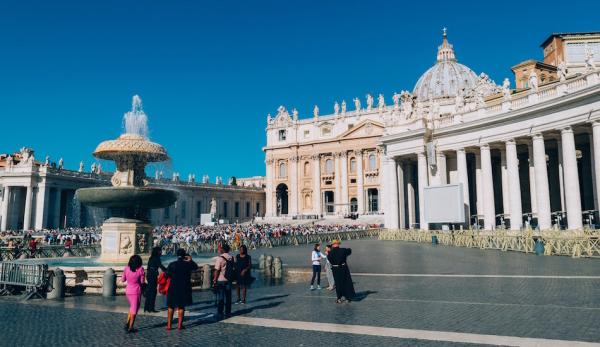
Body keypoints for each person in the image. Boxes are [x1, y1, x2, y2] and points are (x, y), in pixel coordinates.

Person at [166, 248, 198, 330]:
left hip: (173, 287)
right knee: (181, 306)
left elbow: (167, 275)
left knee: (171, 306)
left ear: (177, 255)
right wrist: (191, 260)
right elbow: (196, 267)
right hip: (184, 287)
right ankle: (180, 325)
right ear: (185, 256)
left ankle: (169, 325)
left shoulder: (172, 264)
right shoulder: (187, 264)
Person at [121, 254, 145, 333]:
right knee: (134, 310)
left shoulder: (126, 269)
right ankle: (131, 327)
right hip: (136, 291)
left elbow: (123, 280)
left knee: (132, 307)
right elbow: (142, 282)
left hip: (128, 291)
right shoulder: (140, 269)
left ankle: (128, 323)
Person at [213, 242, 233, 319]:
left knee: (221, 297)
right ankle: (228, 312)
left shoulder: (220, 258)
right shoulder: (231, 257)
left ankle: (220, 312)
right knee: (228, 297)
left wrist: (214, 279)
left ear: (222, 249)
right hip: (229, 279)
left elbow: (217, 270)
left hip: (221, 280)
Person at [144, 246, 166, 313]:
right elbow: (161, 266)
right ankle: (151, 308)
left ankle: (147, 307)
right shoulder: (157, 258)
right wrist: (168, 270)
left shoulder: (151, 257)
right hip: (153, 275)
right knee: (153, 291)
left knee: (149, 291)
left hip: (149, 274)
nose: (161, 252)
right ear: (157, 252)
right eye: (160, 251)